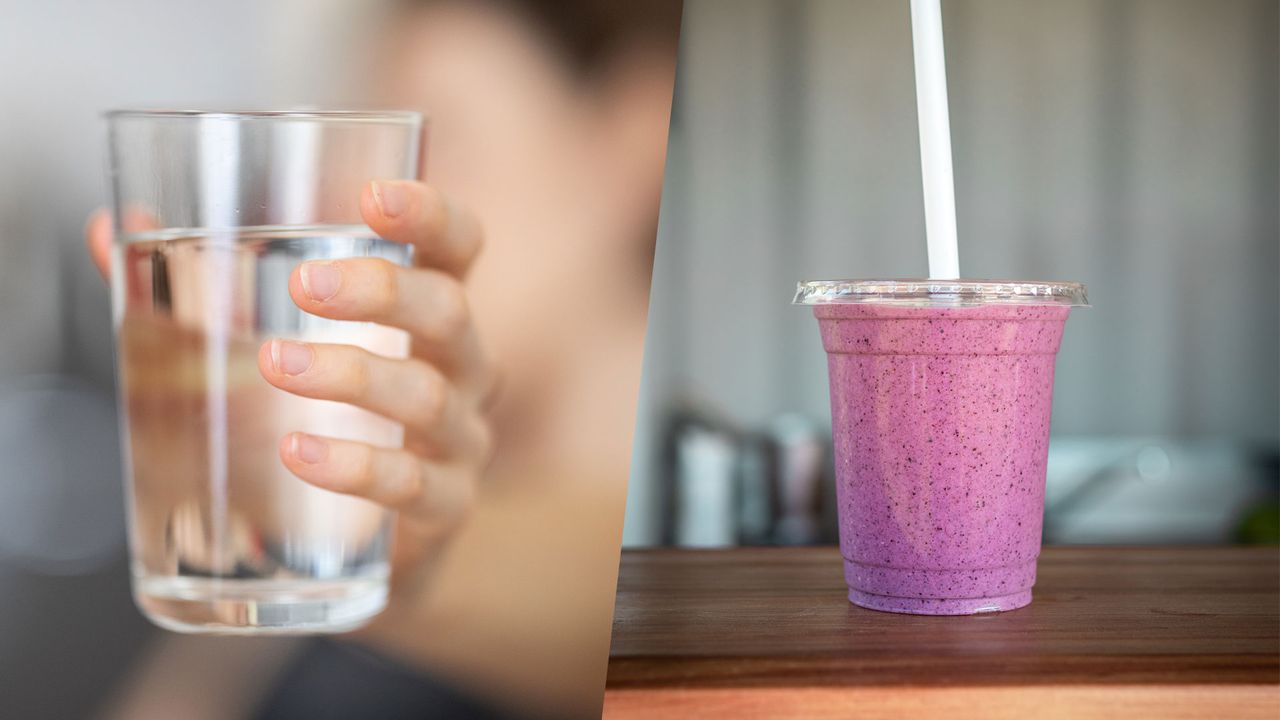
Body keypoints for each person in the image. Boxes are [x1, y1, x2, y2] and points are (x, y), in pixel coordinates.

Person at [91, 1, 682, 718]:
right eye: (356, 160)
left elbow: (634, 607)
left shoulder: (724, 517)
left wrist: (406, 573)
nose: (358, 207)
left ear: (637, 135)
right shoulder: (311, 508)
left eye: (436, 139)